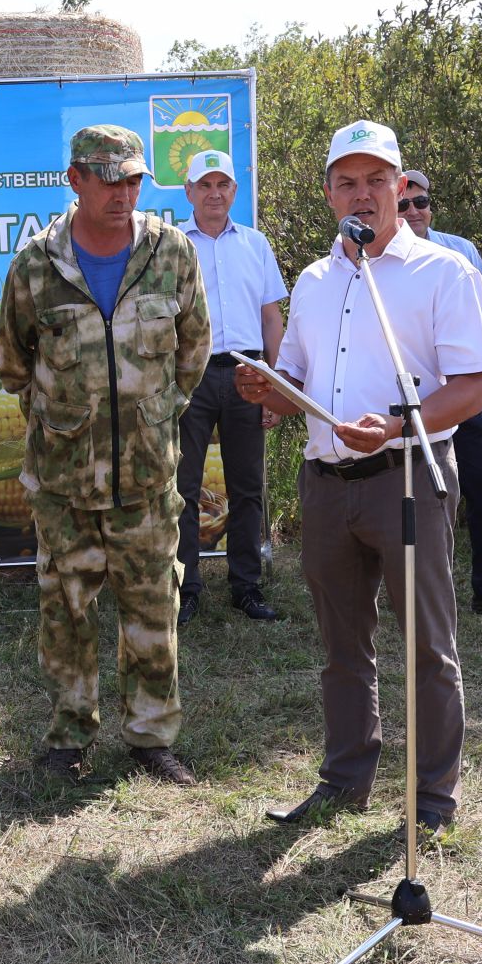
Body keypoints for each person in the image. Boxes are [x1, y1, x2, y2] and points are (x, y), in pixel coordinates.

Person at [240, 121, 482, 832]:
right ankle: (346, 779)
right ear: (329, 194)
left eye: (377, 180)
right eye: (347, 182)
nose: (364, 194)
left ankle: (431, 802)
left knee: (427, 647)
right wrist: (271, 387)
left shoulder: (444, 272)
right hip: (325, 484)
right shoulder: (316, 279)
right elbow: (297, 370)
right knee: (341, 647)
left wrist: (392, 426)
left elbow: (471, 388)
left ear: (401, 186)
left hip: (407, 475)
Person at [0, 126, 212, 784]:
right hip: (63, 482)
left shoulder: (169, 253)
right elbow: (13, 363)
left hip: (147, 477)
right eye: (108, 178)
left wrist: (151, 419)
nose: (123, 193)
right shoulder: (37, 264)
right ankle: (69, 736)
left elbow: (193, 350)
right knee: (67, 611)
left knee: (152, 606)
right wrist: (63, 426)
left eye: (133, 180)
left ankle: (151, 738)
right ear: (76, 180)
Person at [400, 170, 482, 619]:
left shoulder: (462, 252)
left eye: (422, 202)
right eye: (404, 204)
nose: (414, 211)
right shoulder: (378, 258)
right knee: (407, 493)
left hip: (462, 392)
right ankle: (410, 596)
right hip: (407, 398)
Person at [176, 148, 289, 625]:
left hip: (248, 374)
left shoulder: (256, 244)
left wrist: (277, 386)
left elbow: (271, 317)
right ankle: (186, 589)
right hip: (190, 377)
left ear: (234, 192)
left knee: (247, 487)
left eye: (222, 184)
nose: (214, 193)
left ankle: (246, 586)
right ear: (189, 194)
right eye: (205, 185)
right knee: (182, 488)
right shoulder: (173, 246)